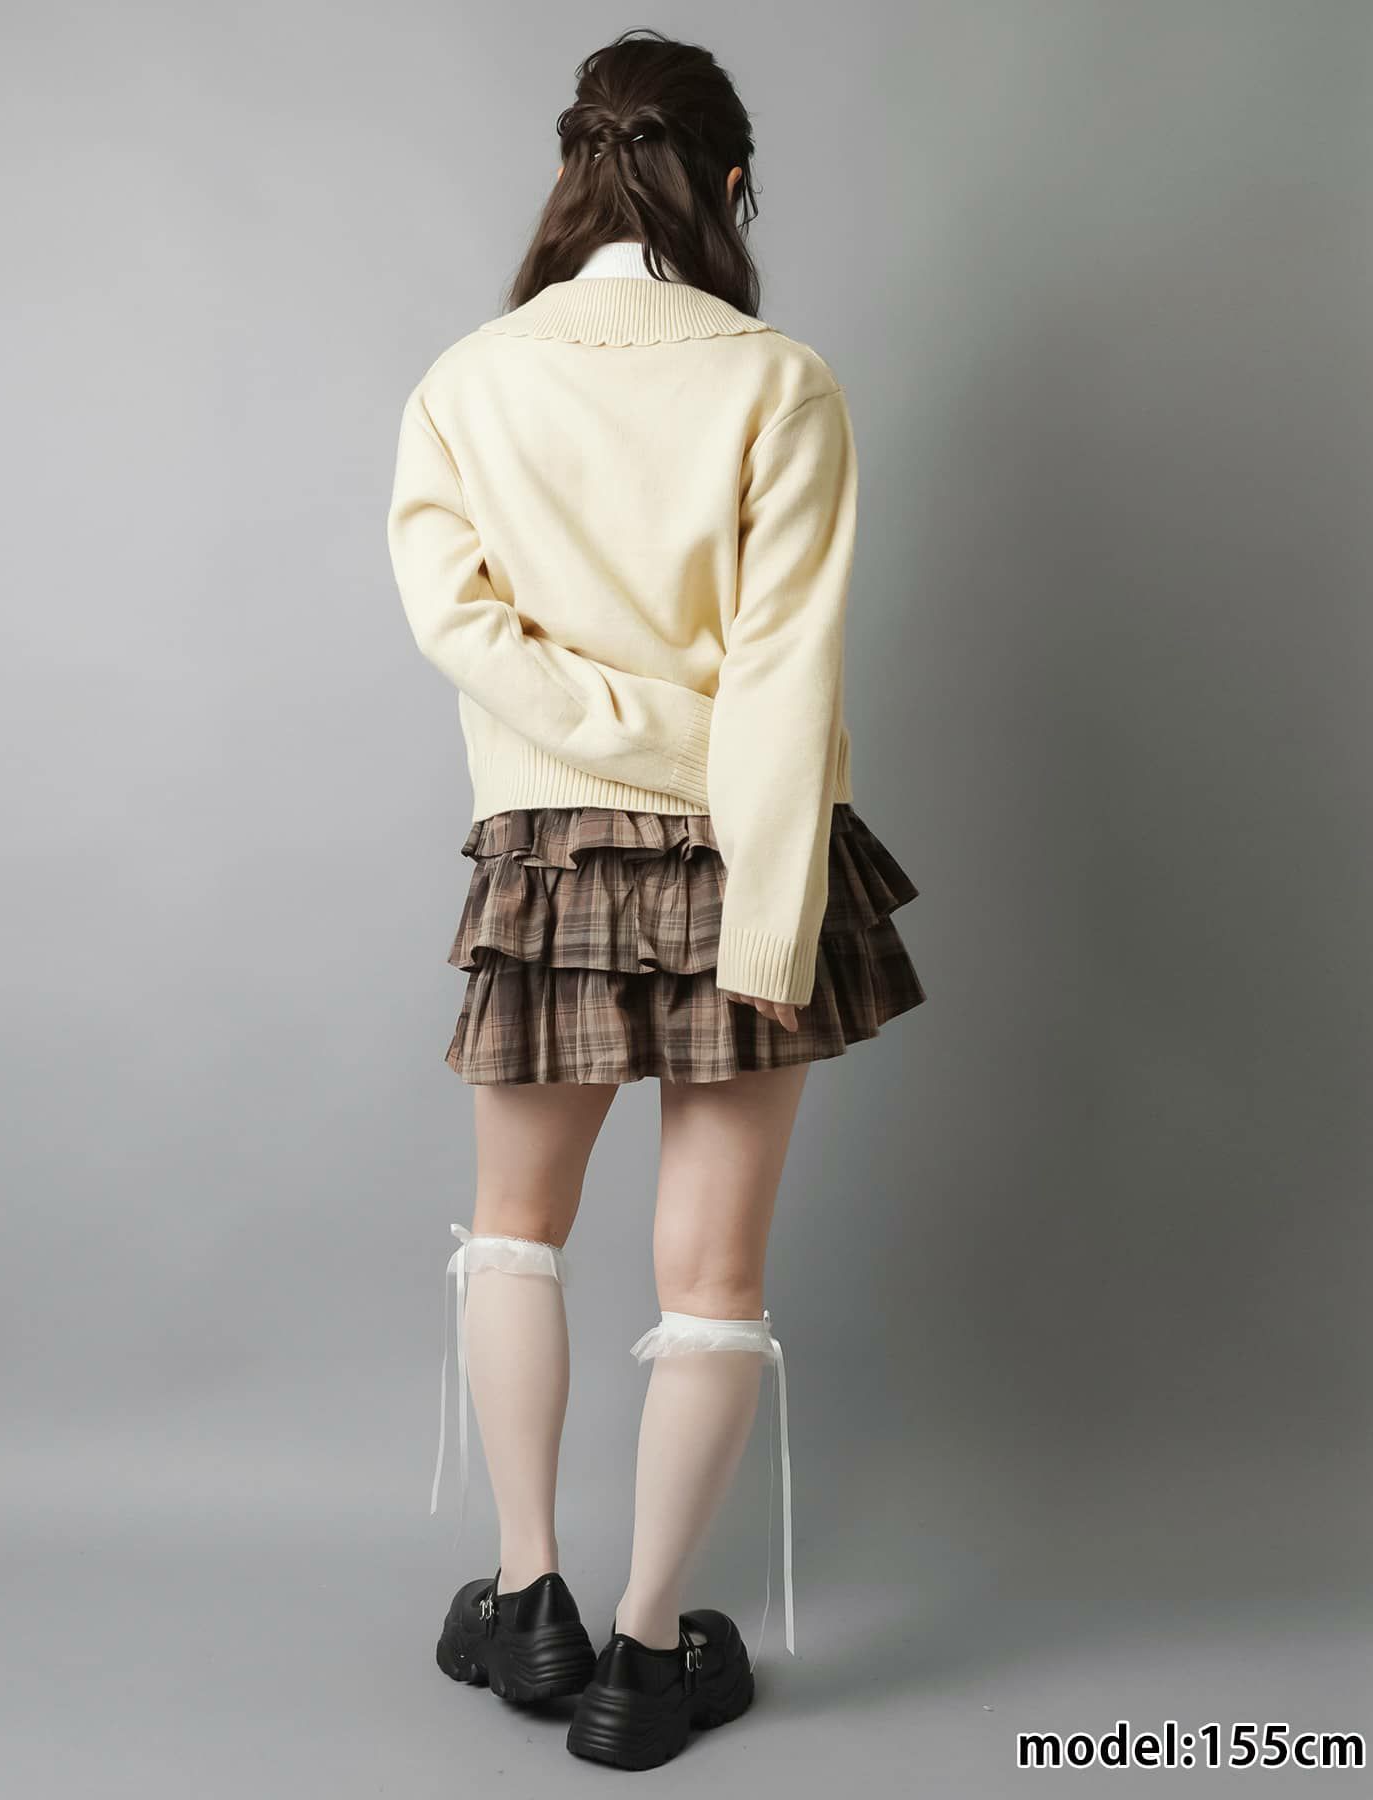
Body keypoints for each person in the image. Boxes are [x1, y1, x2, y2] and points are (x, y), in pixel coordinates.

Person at [386, 26, 927, 1773]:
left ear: (578, 171)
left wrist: (612, 735)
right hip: (747, 843)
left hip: (547, 857)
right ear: (732, 181)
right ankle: (641, 1657)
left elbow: (462, 629)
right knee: (713, 1275)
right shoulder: (782, 381)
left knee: (511, 1229)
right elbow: (785, 669)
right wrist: (725, 808)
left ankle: (526, 1597)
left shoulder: (468, 381)